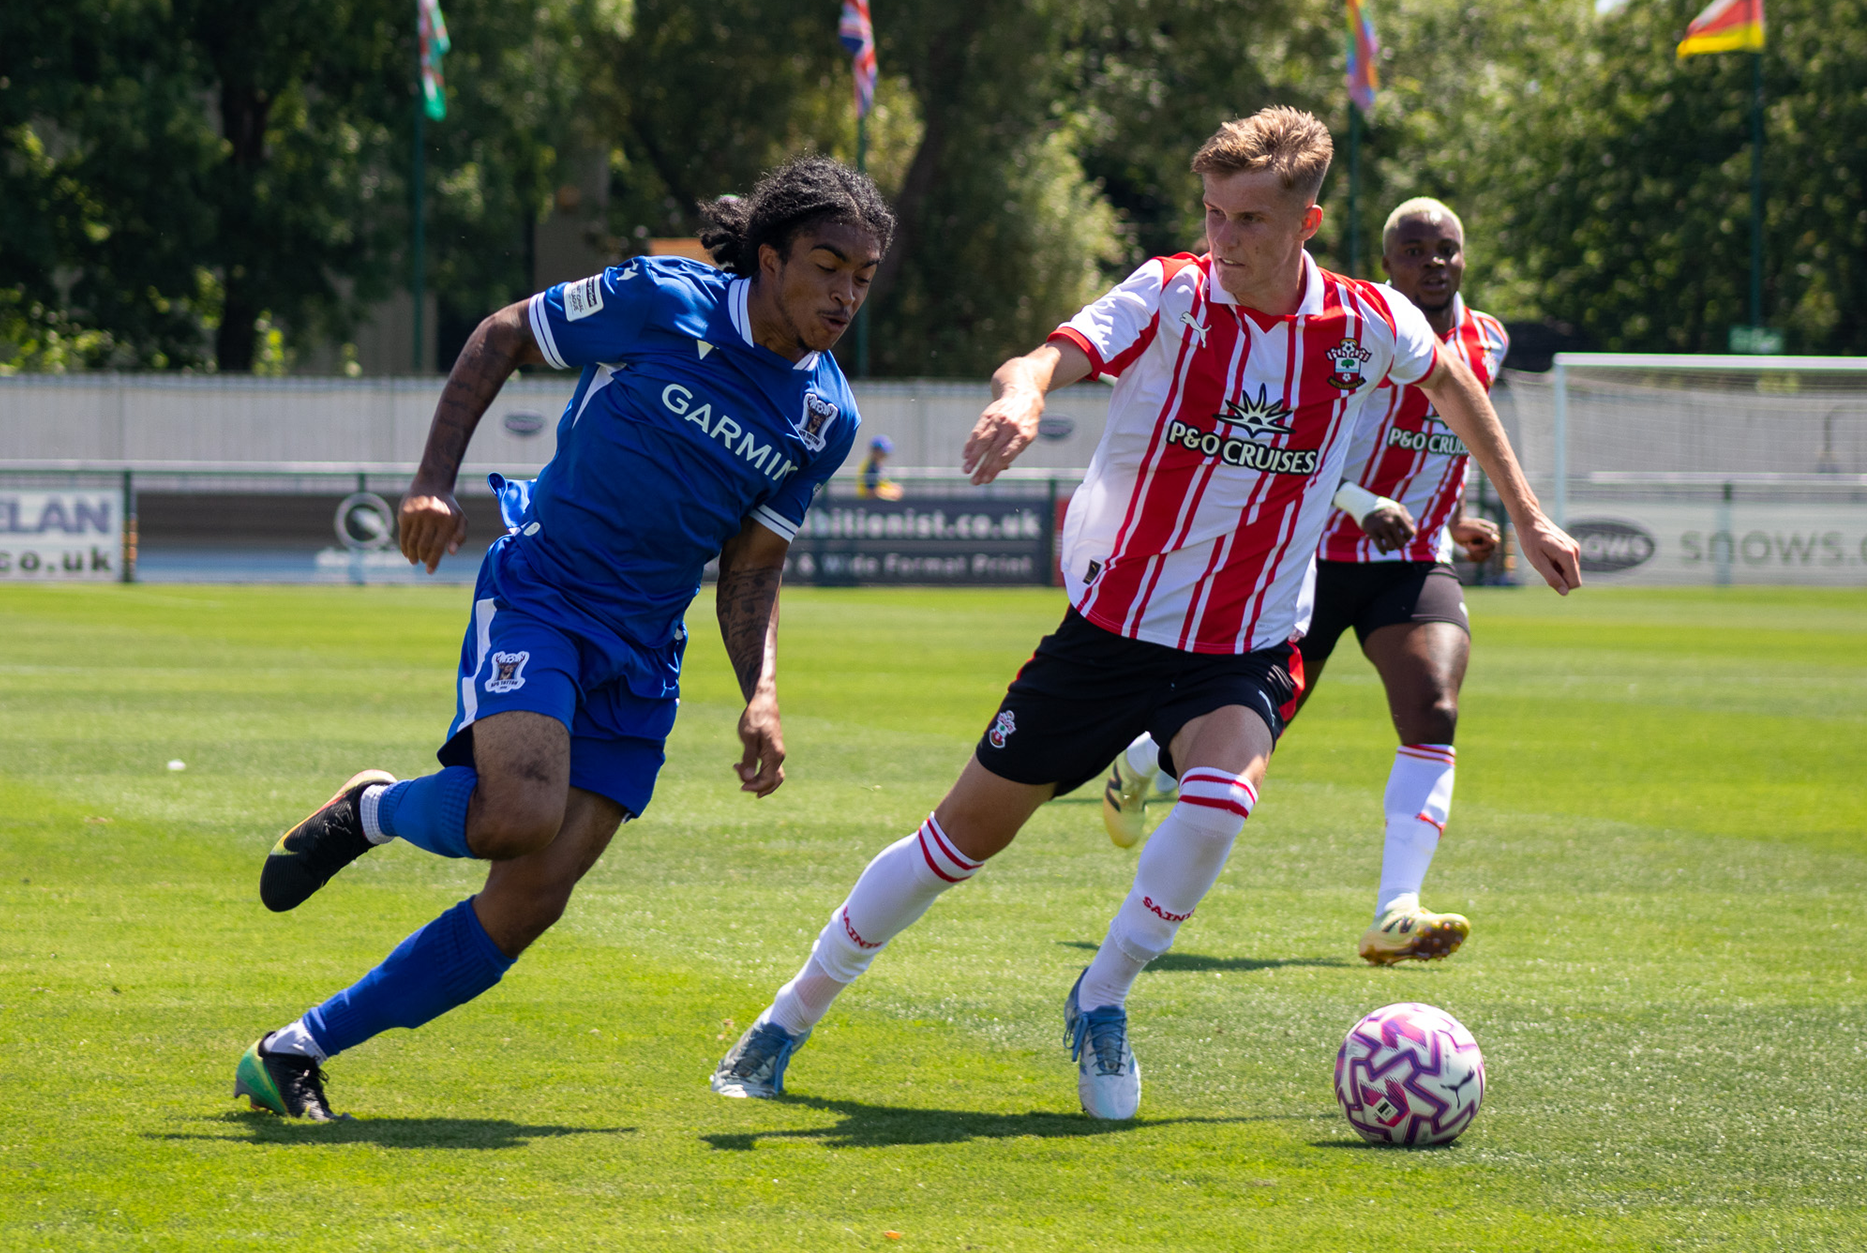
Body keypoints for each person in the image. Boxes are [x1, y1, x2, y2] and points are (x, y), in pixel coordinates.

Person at [711, 109, 1579, 1121]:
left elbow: (1451, 379)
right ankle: (787, 1017)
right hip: (1111, 632)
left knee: (1220, 796)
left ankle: (1102, 993)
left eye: (1252, 217)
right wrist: (1023, 398)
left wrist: (1525, 509)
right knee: (957, 842)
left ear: (1309, 217)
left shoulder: (1365, 324)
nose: (1227, 238)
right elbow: (1047, 356)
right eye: (1214, 213)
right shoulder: (1169, 294)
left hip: (1246, 643)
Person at [231, 157, 894, 1121]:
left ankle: (293, 1049)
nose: (846, 295)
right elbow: (502, 332)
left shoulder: (827, 417)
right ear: (769, 256)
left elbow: (750, 568)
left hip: (646, 645)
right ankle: (372, 811)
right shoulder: (660, 300)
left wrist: (762, 691)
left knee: (531, 898)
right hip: (547, 588)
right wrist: (429, 482)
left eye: (863, 278)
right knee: (515, 814)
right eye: (828, 266)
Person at [1099, 197, 1511, 969]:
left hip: (1412, 561)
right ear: (1388, 265)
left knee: (1434, 705)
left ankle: (1398, 909)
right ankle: (1149, 759)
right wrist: (1359, 502)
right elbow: (1310, 440)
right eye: (1416, 250)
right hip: (1308, 556)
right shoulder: (1362, 328)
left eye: (1447, 248)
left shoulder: (1487, 339)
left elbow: (1442, 448)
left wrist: (1456, 524)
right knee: (1249, 735)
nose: (1436, 262)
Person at [857, 435, 903, 499]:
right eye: (882, 451)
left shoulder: (876, 465)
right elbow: (871, 492)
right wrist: (892, 493)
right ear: (875, 451)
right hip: (870, 505)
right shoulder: (871, 467)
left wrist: (893, 488)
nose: (884, 455)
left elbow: (881, 484)